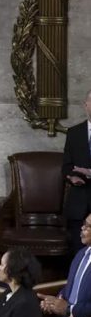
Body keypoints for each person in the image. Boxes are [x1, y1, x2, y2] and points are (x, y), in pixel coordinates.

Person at [39, 213, 91, 317]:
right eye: (83, 224)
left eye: (88, 226)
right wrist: (55, 301)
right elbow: (71, 287)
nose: (82, 228)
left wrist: (68, 309)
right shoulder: (81, 254)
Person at [63, 89, 91, 253]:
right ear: (85, 105)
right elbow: (66, 166)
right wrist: (72, 177)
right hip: (78, 202)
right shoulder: (74, 133)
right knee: (77, 251)